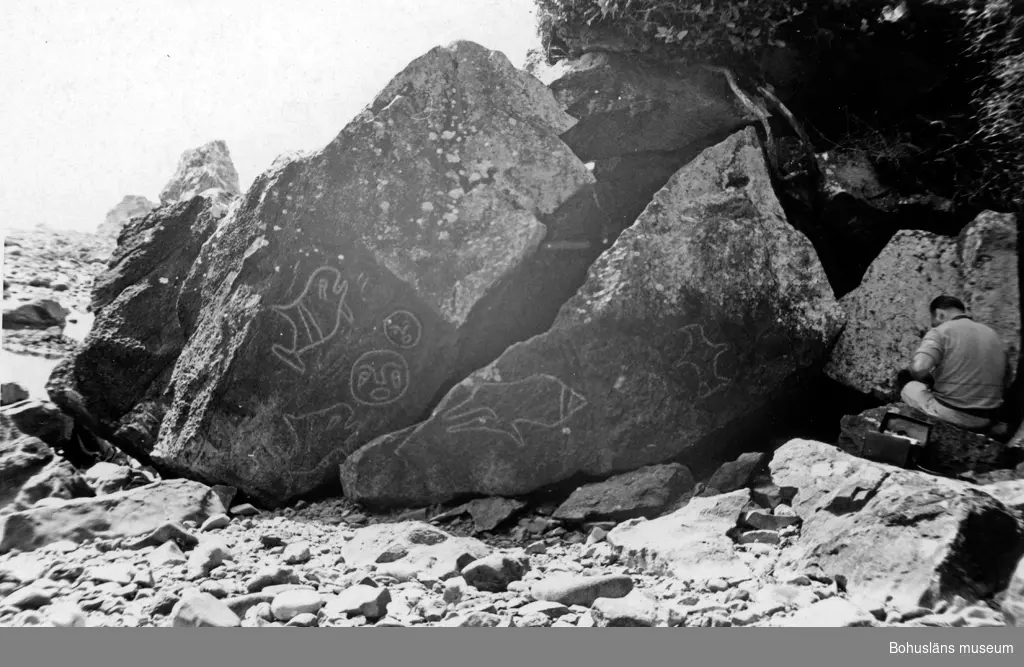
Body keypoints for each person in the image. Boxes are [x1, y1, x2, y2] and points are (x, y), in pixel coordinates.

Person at [900, 295, 1012, 431]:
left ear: (939, 314)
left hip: (953, 413)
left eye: (933, 321)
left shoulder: (940, 331)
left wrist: (918, 375)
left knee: (904, 378)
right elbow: (1006, 379)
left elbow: (919, 369)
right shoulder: (993, 335)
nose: (934, 325)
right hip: (988, 418)